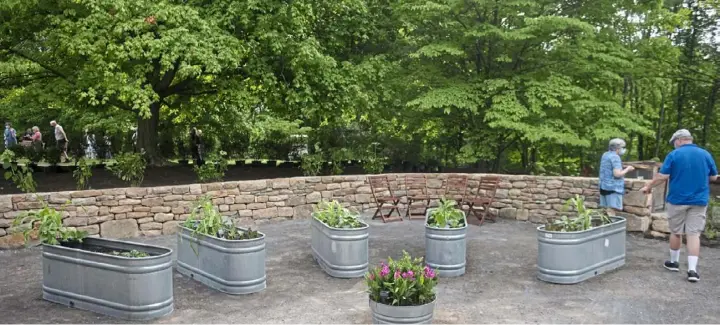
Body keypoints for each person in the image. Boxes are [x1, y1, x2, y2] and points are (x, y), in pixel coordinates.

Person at [641, 129, 718, 283]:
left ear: (679, 140)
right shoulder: (705, 154)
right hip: (699, 201)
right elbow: (714, 176)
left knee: (676, 232)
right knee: (694, 234)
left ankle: (674, 263)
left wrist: (648, 186)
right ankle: (692, 271)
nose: (674, 145)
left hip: (677, 200)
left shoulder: (674, 155)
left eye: (674, 142)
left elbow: (662, 176)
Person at [598, 138, 635, 215]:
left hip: (603, 187)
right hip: (613, 188)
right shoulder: (615, 157)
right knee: (611, 213)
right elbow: (617, 174)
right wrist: (628, 169)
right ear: (618, 148)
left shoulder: (605, 154)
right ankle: (612, 226)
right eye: (622, 147)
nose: (623, 149)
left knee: (605, 211)